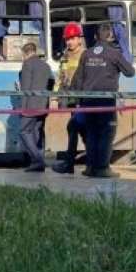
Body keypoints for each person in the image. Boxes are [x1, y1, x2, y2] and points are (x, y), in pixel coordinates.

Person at [71, 22, 135, 178]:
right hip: (106, 103)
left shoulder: (87, 54)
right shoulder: (114, 54)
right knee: (106, 134)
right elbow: (130, 72)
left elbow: (78, 79)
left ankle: (91, 167)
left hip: (87, 102)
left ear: (95, 36)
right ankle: (103, 168)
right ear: (111, 36)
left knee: (92, 134)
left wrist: (78, 101)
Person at [52, 22, 86, 174]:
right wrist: (54, 97)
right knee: (75, 130)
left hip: (83, 100)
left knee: (78, 130)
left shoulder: (86, 55)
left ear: (80, 39)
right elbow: (60, 77)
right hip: (72, 100)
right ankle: (72, 164)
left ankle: (73, 164)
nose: (70, 42)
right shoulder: (65, 56)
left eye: (73, 38)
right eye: (67, 39)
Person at [18, 42, 54, 172]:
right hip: (43, 105)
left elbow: (26, 88)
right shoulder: (46, 65)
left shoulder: (27, 64)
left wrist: (23, 108)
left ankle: (38, 160)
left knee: (24, 131)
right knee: (37, 131)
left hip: (31, 105)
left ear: (25, 53)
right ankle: (36, 162)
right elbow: (51, 82)